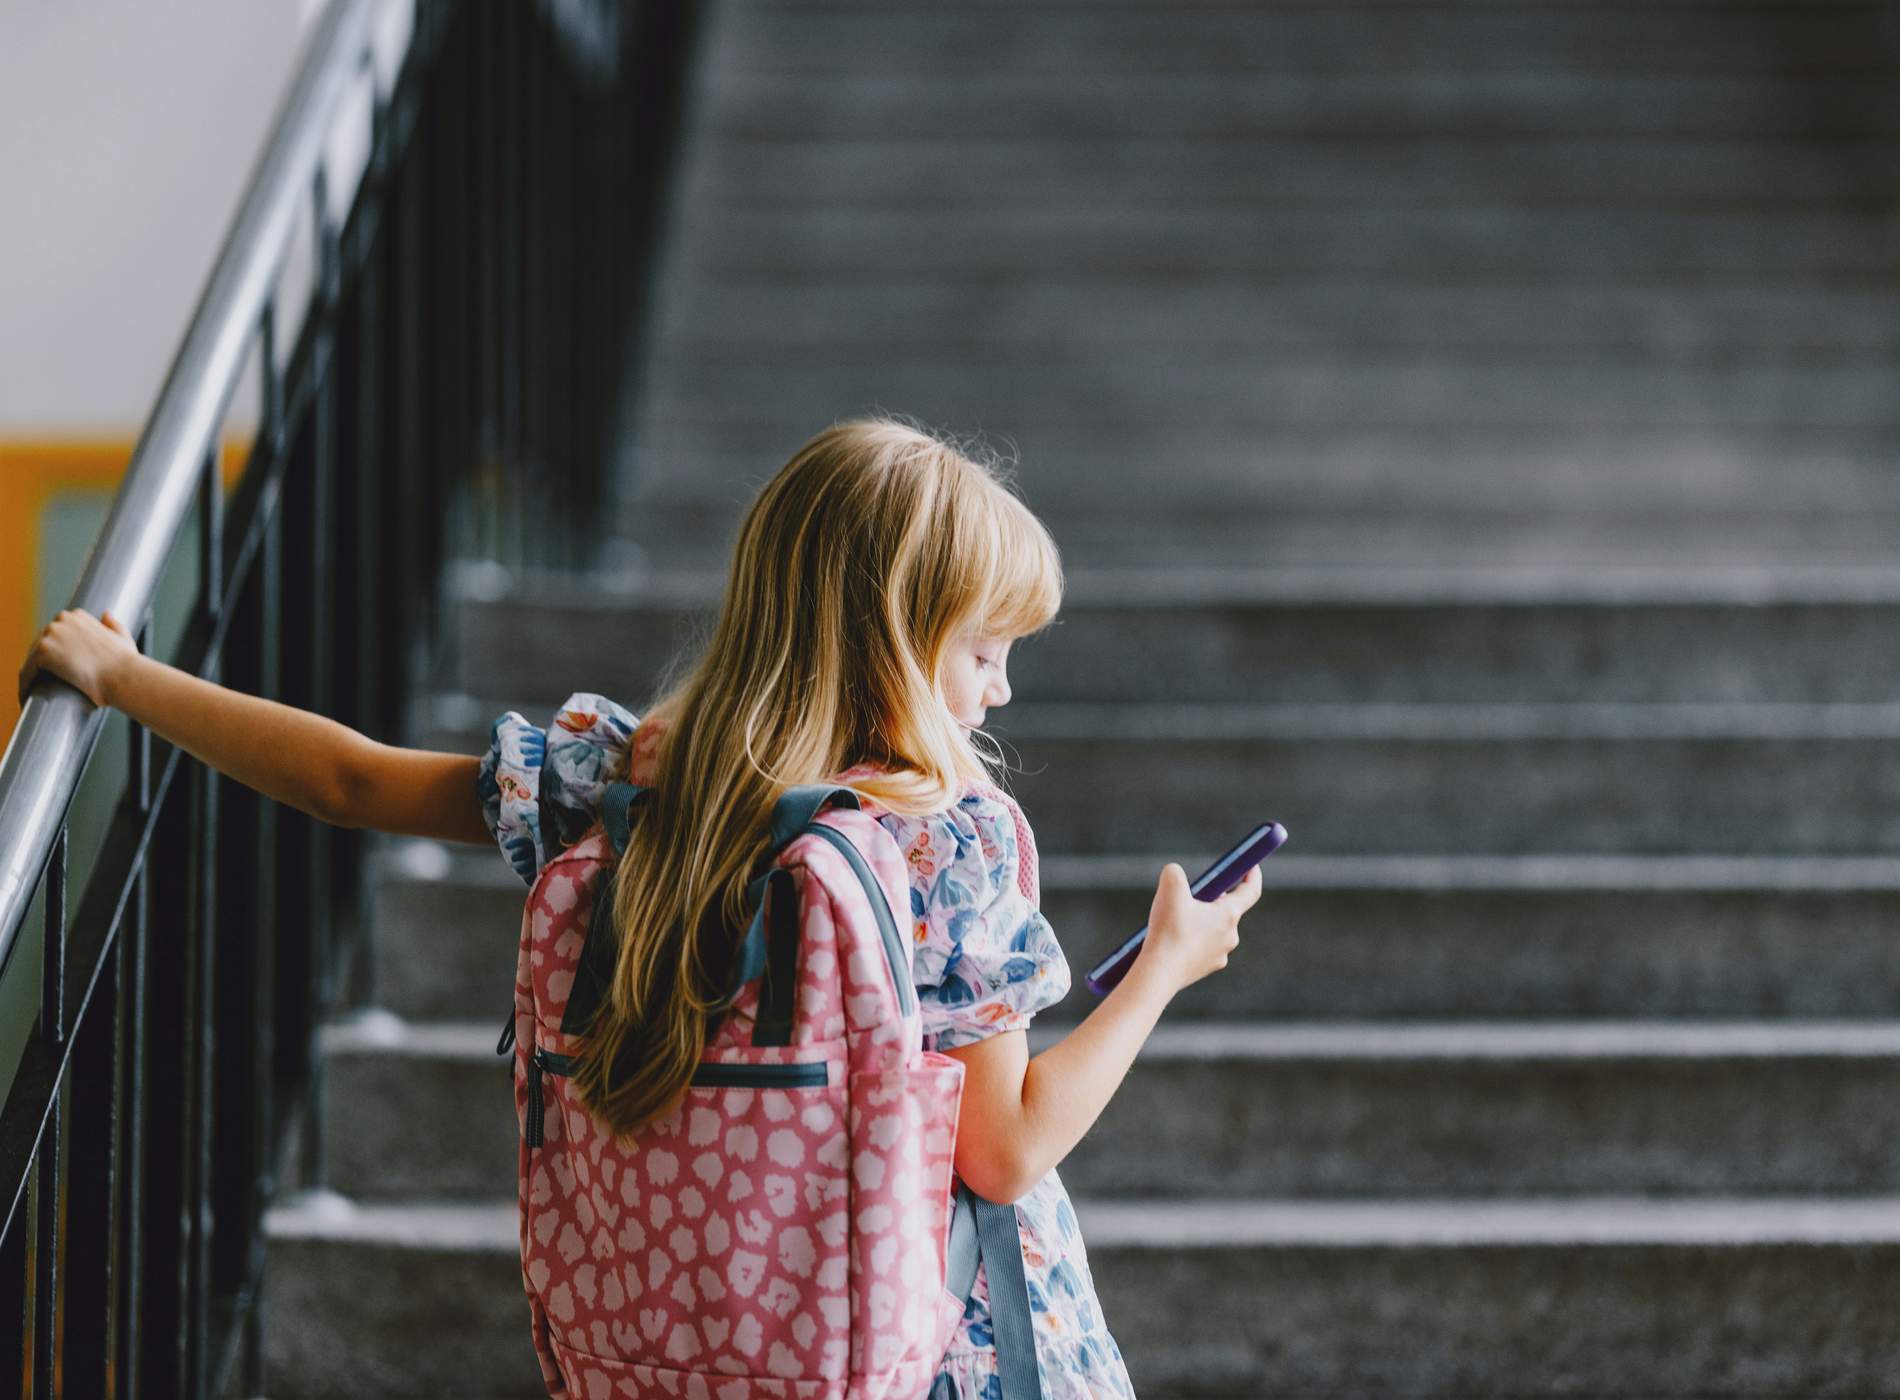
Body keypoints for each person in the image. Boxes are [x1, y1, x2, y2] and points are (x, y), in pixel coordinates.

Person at [18, 416, 1262, 1399]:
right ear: (892, 633)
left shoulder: (618, 783)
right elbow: (1007, 1145)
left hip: (695, 1342)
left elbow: (349, 779)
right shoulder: (946, 835)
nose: (996, 690)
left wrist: (126, 677)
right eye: (983, 649)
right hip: (935, 1342)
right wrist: (1163, 964)